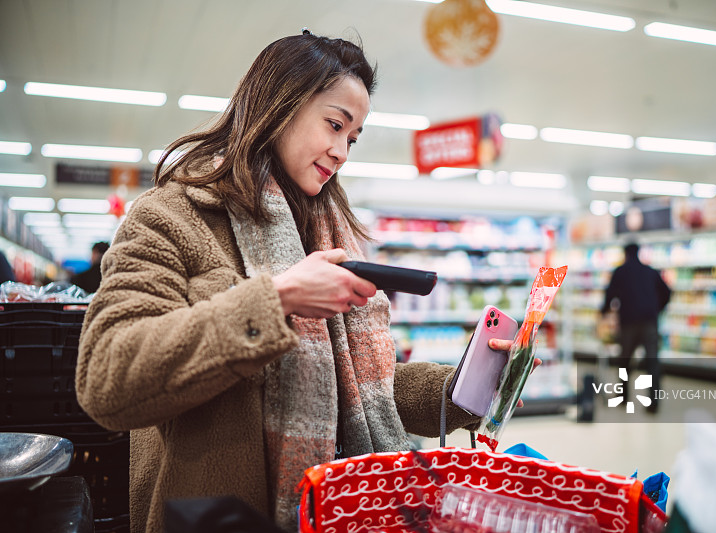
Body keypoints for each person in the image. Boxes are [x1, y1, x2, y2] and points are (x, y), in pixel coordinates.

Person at [75, 31, 528, 533]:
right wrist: (278, 299)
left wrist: (464, 388)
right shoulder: (171, 217)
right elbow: (106, 378)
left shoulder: (329, 230)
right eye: (334, 125)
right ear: (280, 104)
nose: (341, 153)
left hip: (346, 513)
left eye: (353, 138)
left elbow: (360, 387)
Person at [600, 241, 671, 413]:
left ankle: (623, 398)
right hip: (649, 322)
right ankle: (653, 403)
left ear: (625, 254)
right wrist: (657, 309)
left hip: (628, 323)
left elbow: (610, 295)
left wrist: (603, 312)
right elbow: (667, 292)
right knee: (652, 363)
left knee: (624, 361)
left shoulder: (620, 272)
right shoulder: (650, 271)